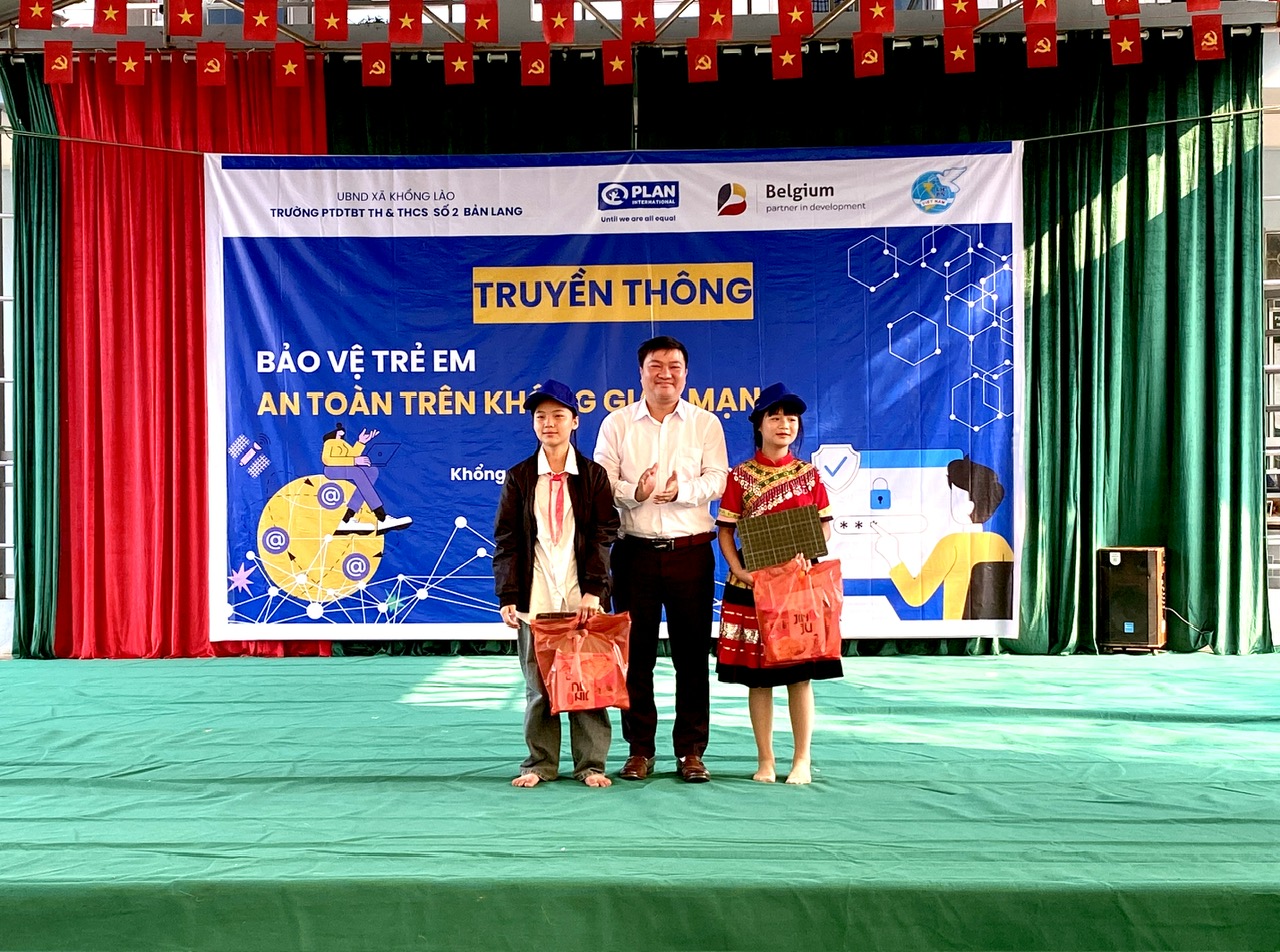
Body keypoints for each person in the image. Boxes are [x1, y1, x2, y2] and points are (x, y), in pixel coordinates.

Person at [593, 336, 729, 783]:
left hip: (691, 553)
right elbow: (601, 482)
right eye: (656, 366)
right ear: (641, 373)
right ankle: (640, 750)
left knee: (691, 658)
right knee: (636, 658)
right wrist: (638, 492)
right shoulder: (617, 424)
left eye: (674, 366)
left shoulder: (705, 423)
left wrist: (681, 491)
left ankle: (690, 751)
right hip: (634, 554)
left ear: (686, 374)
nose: (665, 374)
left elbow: (718, 479)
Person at [493, 380, 621, 788]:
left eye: (558, 416)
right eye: (541, 416)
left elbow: (604, 533)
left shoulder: (593, 476)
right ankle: (540, 764)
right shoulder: (519, 477)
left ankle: (591, 765)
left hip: (581, 594)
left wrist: (595, 590)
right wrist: (508, 594)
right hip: (536, 593)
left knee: (588, 678)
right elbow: (507, 539)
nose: (549, 423)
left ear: (575, 421)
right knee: (538, 684)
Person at [716, 383, 843, 785]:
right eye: (775, 417)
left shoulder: (808, 475)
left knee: (799, 675)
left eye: (791, 418)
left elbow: (824, 526)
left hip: (798, 585)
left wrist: (811, 550)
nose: (784, 424)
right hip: (753, 585)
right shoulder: (739, 476)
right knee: (758, 678)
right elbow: (725, 531)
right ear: (759, 425)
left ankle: (802, 759)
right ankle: (766, 760)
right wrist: (740, 570)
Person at [873, 456, 1013, 620]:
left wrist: (892, 556)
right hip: (992, 630)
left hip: (957, 631)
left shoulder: (952, 544)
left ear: (969, 506)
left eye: (954, 496)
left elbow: (916, 596)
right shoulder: (1000, 543)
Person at [321, 422, 412, 535]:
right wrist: (354, 461)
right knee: (358, 473)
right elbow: (327, 460)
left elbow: (352, 454)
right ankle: (382, 517)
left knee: (371, 471)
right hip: (331, 470)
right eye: (339, 432)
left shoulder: (343, 443)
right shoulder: (329, 443)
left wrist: (361, 442)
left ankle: (347, 519)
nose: (342, 434)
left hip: (345, 468)